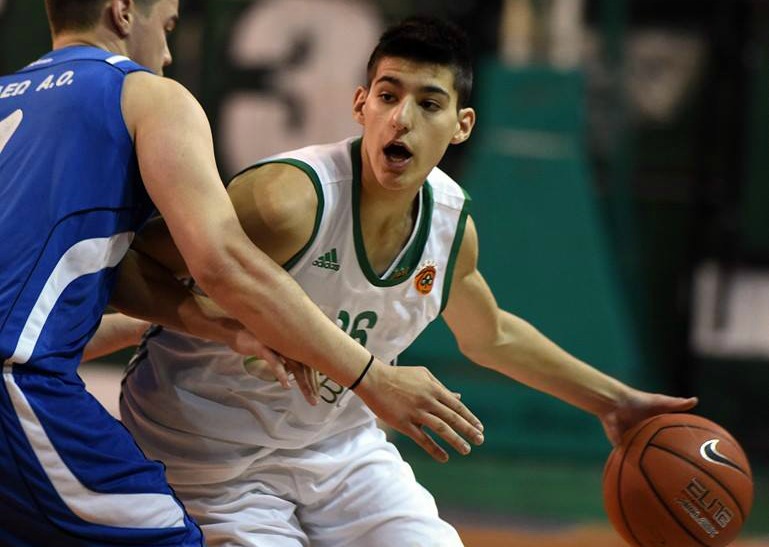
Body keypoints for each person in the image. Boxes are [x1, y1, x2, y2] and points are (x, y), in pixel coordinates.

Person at [85, 16, 700, 547]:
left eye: (428, 104)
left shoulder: (450, 229)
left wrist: (612, 402)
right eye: (388, 96)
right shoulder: (286, 203)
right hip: (208, 452)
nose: (401, 119)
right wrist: (219, 324)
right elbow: (124, 266)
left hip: (338, 453)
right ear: (361, 105)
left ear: (461, 125)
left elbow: (491, 334)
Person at [0, 2, 483, 545]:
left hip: (329, 451)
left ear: (460, 123)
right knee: (168, 536)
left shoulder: (10, 95)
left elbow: (54, 300)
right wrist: (369, 375)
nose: (168, 52)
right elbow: (220, 263)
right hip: (90, 409)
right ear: (124, 11)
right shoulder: (147, 94)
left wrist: (196, 325)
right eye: (168, 25)